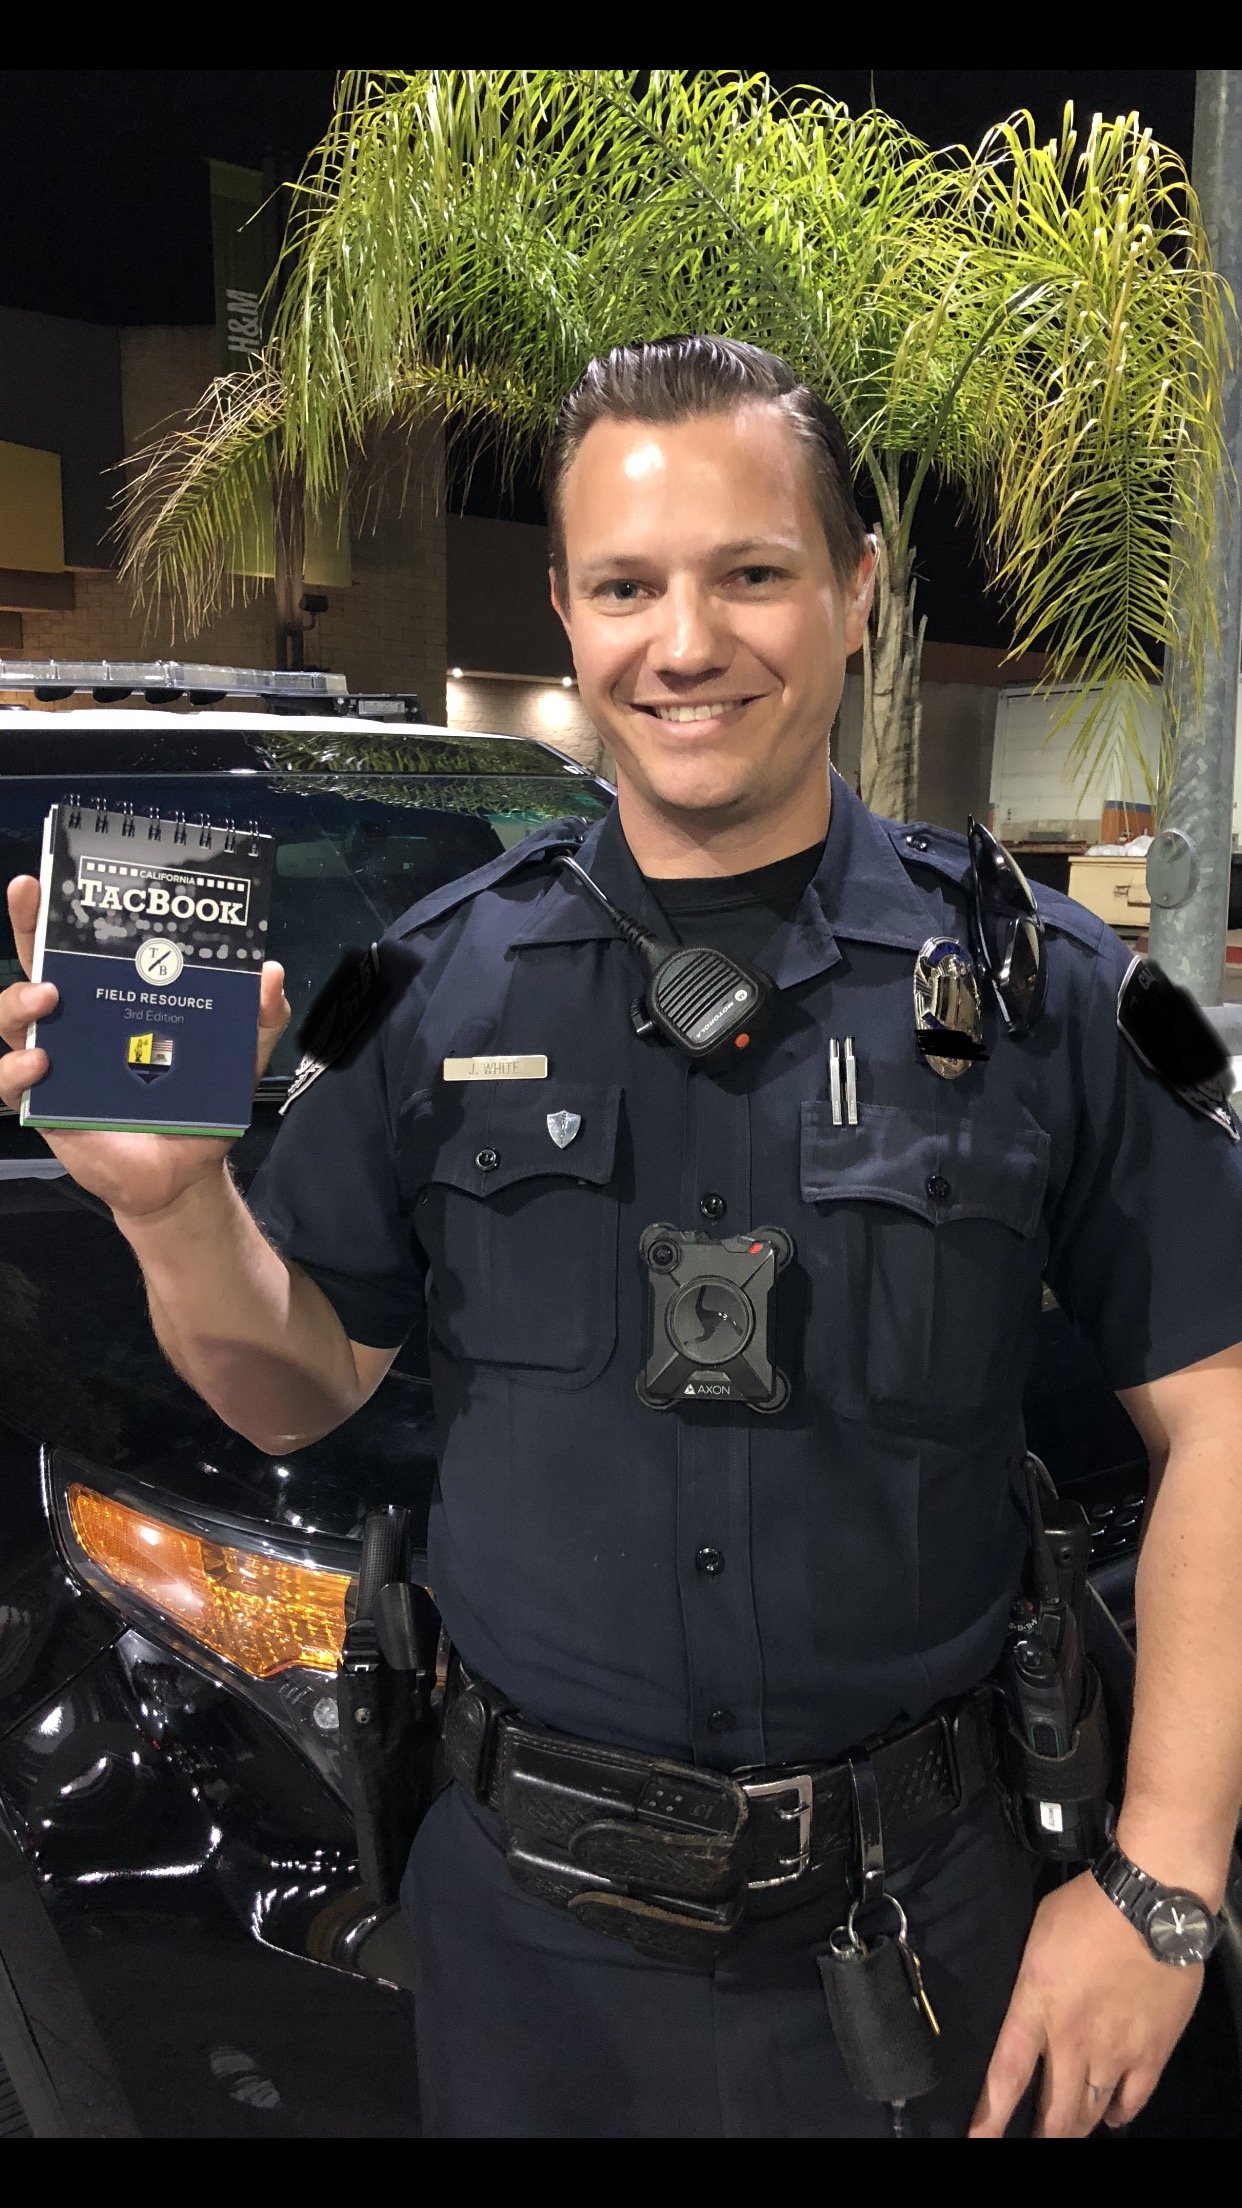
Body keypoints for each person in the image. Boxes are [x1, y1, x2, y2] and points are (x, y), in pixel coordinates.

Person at [5, 335, 1242, 2141]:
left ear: (853, 592)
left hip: (933, 1937)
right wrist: (175, 1205)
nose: (685, 641)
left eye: (749, 572)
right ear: (570, 614)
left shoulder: (1037, 988)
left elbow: (1215, 1404)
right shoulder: (433, 985)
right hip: (531, 1962)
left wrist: (1160, 1884)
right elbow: (293, 1393)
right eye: (625, 585)